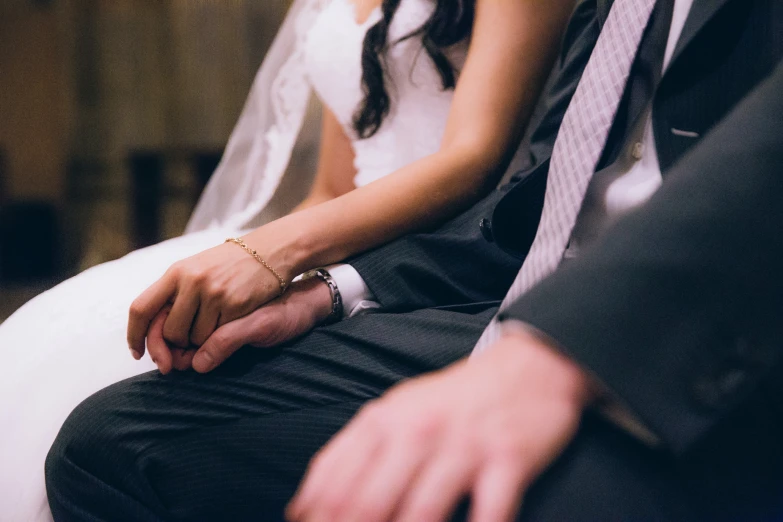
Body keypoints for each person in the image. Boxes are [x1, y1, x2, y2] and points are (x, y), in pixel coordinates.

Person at [46, 0, 783, 519]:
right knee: (109, 441)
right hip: (507, 287)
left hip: (691, 324)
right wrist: (324, 292)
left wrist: (557, 353)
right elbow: (538, 191)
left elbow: (475, 160)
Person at [0, 0, 578, 519]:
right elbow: (332, 187)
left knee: (124, 419)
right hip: (330, 241)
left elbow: (471, 159)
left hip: (451, 252)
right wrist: (261, 271)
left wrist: (272, 255)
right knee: (68, 351)